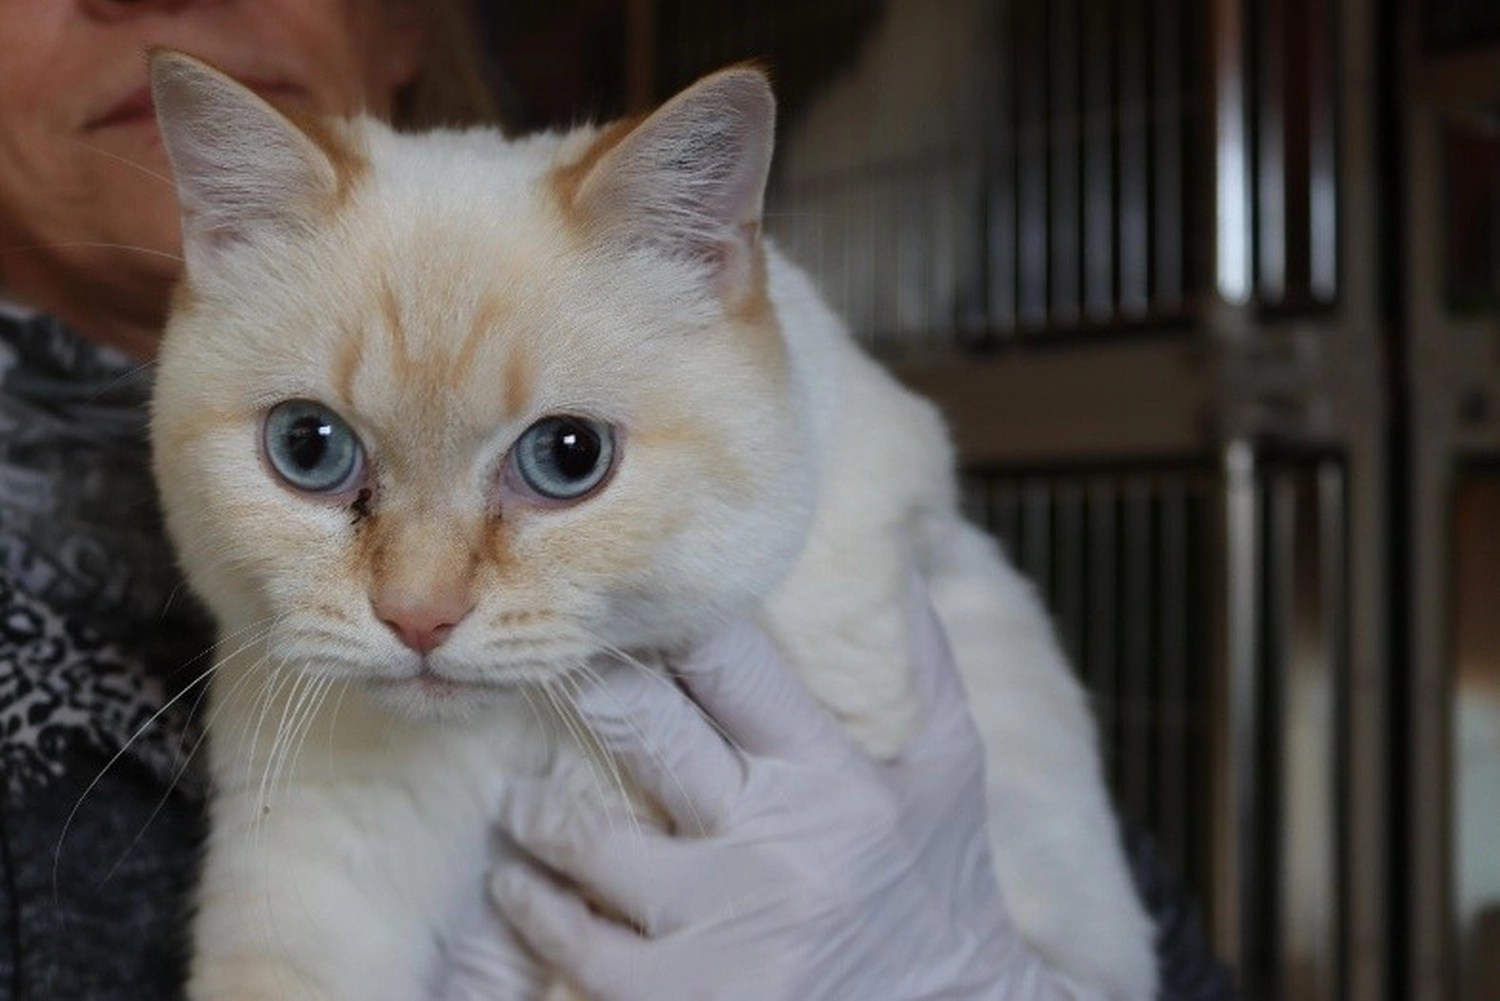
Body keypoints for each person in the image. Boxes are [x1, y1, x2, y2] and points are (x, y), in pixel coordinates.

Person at [0, 2, 1234, 998]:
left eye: (566, 454)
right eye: (317, 448)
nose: (416, 601)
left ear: (410, 22)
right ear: (214, 247)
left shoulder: (828, 483)